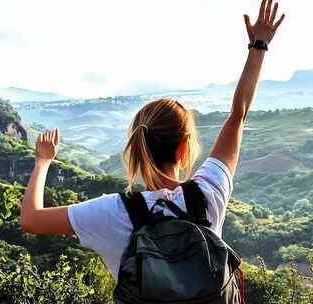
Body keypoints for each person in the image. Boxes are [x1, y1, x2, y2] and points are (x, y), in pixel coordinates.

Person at [21, 0, 284, 281]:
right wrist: (259, 45)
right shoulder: (208, 194)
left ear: (137, 147)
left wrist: (43, 162)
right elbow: (238, 115)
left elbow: (31, 219)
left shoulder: (113, 212)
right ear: (184, 147)